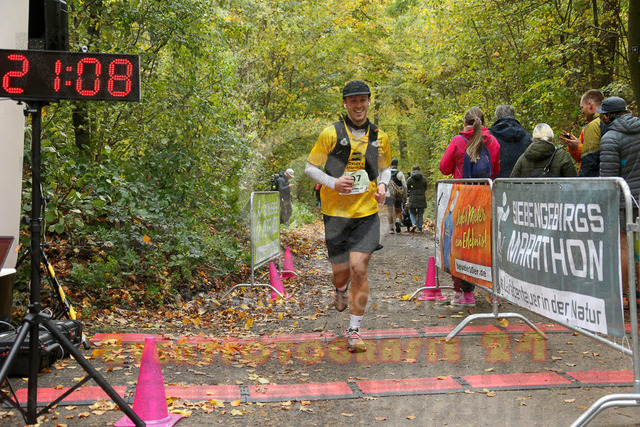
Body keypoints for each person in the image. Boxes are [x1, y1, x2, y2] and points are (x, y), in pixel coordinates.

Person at [305, 80, 391, 352]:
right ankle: (340, 290)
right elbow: (310, 168)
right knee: (341, 274)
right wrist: (333, 182)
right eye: (353, 100)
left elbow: (385, 168)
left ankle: (354, 330)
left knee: (359, 269)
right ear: (345, 103)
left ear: (369, 101)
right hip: (336, 214)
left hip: (366, 213)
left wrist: (383, 185)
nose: (358, 105)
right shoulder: (331, 133)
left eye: (363, 100)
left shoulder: (379, 136)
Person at [439, 107, 500, 307]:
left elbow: (444, 168)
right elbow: (495, 170)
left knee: (460, 245)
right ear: (484, 122)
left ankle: (464, 293)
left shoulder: (458, 141)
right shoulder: (493, 142)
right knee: (485, 244)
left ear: (464, 123)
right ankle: (494, 291)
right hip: (485, 199)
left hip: (463, 199)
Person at [598, 96, 640, 296]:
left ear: (608, 116)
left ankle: (622, 295)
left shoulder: (610, 138)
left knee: (624, 246)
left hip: (625, 200)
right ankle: (638, 292)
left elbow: (608, 178)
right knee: (639, 245)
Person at [559, 89, 604, 176]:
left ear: (590, 105)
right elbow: (581, 158)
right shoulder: (587, 129)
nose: (582, 111)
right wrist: (574, 147)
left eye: (582, 107)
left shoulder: (595, 125)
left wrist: (583, 180)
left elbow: (591, 160)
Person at [510, 123, 577, 178]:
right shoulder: (561, 156)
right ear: (551, 138)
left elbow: (512, 183)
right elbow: (573, 183)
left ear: (534, 138)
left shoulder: (524, 157)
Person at [489, 104, 532, 178]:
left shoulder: (489, 137)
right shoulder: (528, 137)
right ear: (514, 116)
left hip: (496, 182)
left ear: (496, 118)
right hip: (521, 182)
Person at [385, 158, 407, 233]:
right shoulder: (400, 173)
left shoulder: (386, 174)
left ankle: (391, 228)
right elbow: (405, 186)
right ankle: (397, 220)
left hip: (389, 194)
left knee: (390, 211)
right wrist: (405, 195)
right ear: (397, 164)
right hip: (398, 195)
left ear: (390, 164)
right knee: (398, 210)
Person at [406, 165, 428, 232]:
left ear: (412, 170)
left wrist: (408, 195)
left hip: (412, 197)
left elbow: (407, 188)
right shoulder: (423, 178)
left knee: (411, 211)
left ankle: (414, 223)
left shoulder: (410, 179)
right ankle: (419, 227)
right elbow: (425, 187)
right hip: (421, 197)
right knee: (420, 212)